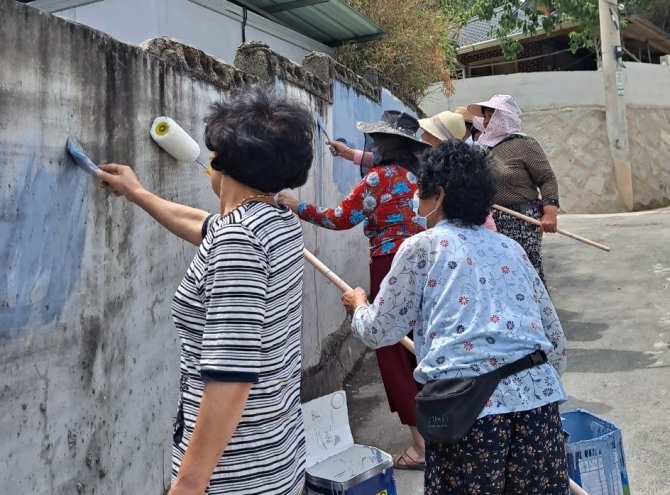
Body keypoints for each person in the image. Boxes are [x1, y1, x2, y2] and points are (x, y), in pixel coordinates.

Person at [95, 85, 313, 494]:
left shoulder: (239, 241)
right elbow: (200, 225)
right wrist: (137, 193)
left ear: (224, 162)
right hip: (275, 453)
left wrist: (189, 483)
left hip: (235, 472)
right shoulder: (277, 222)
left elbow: (231, 376)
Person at [342, 140, 569, 494]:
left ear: (440, 195)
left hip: (468, 414)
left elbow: (378, 330)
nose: (418, 204)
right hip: (538, 408)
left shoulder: (422, 247)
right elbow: (555, 341)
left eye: (421, 194)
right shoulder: (511, 248)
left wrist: (358, 306)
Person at [278, 110, 430, 470]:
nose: (374, 146)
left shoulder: (378, 179)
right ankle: (441, 433)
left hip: (391, 267)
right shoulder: (418, 178)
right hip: (428, 265)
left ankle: (423, 447)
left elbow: (340, 218)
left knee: (391, 349)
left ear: (388, 144)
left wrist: (293, 205)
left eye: (378, 141)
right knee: (422, 348)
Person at [468, 94, 560, 285]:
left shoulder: (525, 145)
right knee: (498, 275)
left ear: (505, 117)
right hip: (488, 222)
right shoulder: (481, 149)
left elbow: (547, 178)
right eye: (484, 116)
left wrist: (550, 213)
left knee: (526, 271)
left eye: (490, 116)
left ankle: (537, 312)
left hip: (522, 221)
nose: (485, 121)